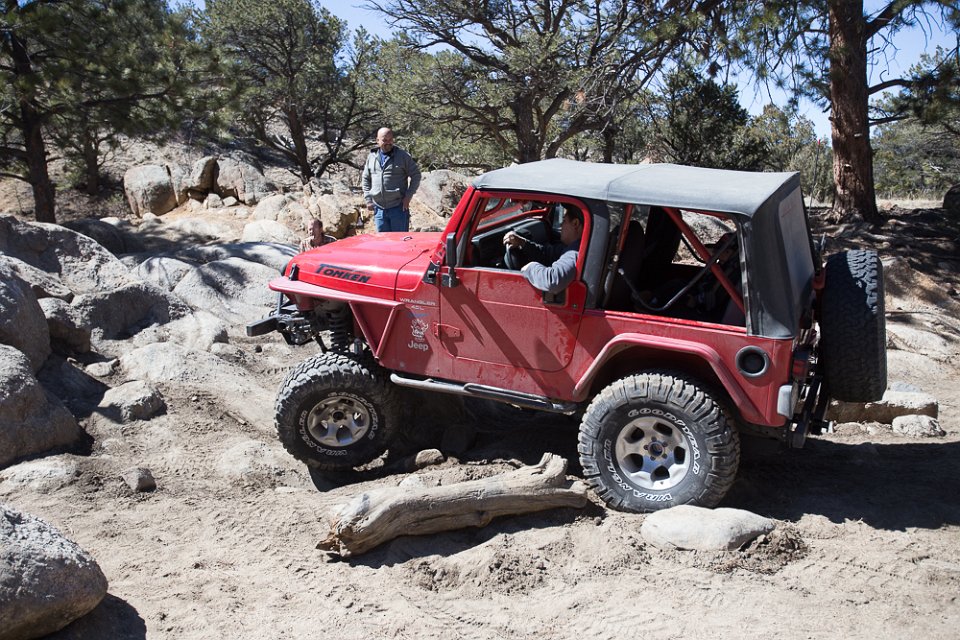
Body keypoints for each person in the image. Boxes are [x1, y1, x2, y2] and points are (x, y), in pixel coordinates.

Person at [502, 204, 584, 294]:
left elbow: (553, 280)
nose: (561, 225)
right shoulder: (572, 247)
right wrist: (523, 243)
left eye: (564, 221)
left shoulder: (576, 250)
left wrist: (530, 268)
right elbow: (546, 254)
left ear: (575, 224)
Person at [361, 127, 421, 232]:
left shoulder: (402, 156)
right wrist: (368, 199)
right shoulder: (371, 157)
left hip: (398, 208)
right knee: (383, 241)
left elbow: (416, 175)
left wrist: (408, 196)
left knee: (399, 240)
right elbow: (366, 178)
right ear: (377, 140)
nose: (388, 143)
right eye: (385, 140)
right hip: (379, 209)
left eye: (390, 139)